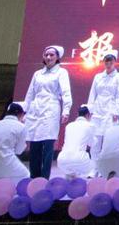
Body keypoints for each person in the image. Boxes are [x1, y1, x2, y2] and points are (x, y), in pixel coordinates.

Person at [23, 45, 72, 178]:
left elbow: (66, 92)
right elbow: (30, 93)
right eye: (46, 55)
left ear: (57, 57)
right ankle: (34, 177)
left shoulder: (61, 72)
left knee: (48, 145)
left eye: (52, 55)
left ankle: (44, 178)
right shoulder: (37, 74)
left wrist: (66, 110)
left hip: (51, 109)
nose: (48, 57)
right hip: (36, 109)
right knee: (34, 145)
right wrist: (25, 111)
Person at [87, 52, 119, 158]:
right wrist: (90, 109)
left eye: (111, 62)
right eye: (106, 62)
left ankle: (106, 164)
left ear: (115, 62)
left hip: (110, 109)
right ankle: (94, 164)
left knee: (109, 138)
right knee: (96, 138)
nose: (108, 64)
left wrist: (117, 111)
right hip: (98, 108)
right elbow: (92, 93)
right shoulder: (98, 76)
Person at [57, 106, 96, 178]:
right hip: (79, 160)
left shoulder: (69, 125)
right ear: (88, 115)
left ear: (78, 114)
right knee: (94, 166)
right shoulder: (90, 125)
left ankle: (72, 177)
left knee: (70, 173)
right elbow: (92, 144)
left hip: (62, 160)